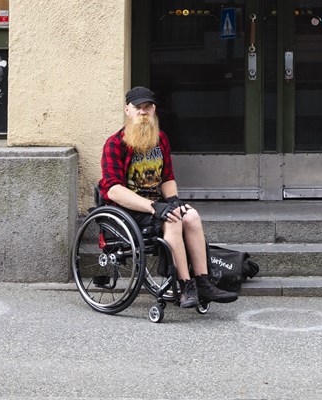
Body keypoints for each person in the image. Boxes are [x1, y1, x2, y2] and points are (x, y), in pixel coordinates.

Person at [99, 86, 237, 309]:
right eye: (138, 108)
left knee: (190, 215)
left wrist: (173, 200)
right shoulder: (115, 144)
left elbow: (167, 178)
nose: (143, 112)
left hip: (158, 205)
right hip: (128, 210)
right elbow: (113, 189)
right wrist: (155, 207)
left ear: (154, 110)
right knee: (172, 220)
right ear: (127, 110)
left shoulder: (160, 139)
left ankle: (203, 281)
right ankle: (185, 284)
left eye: (148, 107)